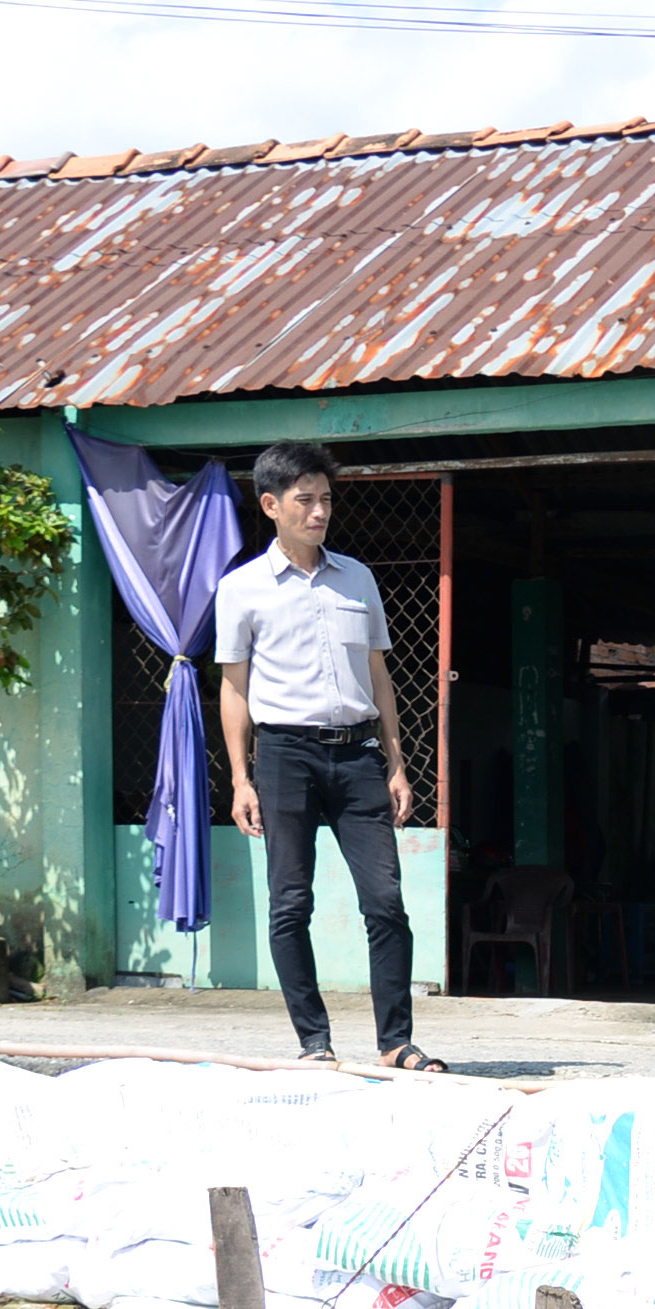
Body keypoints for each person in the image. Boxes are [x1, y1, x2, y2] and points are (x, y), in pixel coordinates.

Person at [214, 442, 432, 1071]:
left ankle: (396, 1042)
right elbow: (235, 689)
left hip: (359, 754)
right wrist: (240, 778)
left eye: (326, 499)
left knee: (385, 903)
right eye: (304, 500)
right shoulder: (242, 589)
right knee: (291, 904)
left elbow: (379, 673)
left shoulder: (357, 578)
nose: (319, 512)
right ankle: (314, 1041)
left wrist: (395, 761)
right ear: (271, 505)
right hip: (284, 756)